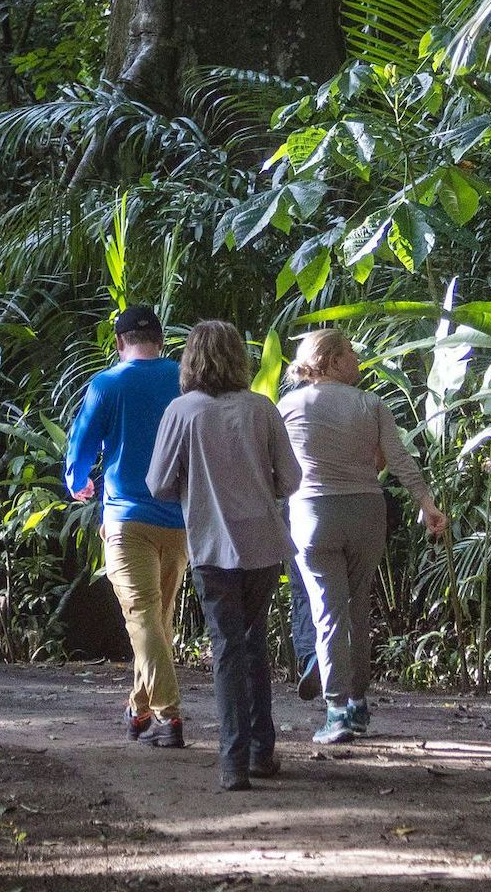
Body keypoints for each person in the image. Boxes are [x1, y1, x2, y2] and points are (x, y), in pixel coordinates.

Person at [144, 321, 301, 790]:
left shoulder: (182, 412)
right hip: (264, 547)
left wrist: (193, 490)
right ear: (239, 358)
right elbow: (290, 479)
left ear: (190, 359)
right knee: (252, 644)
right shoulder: (261, 409)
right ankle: (260, 751)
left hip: (212, 545)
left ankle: (233, 762)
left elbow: (158, 484)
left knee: (227, 648)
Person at [279, 328, 448, 744]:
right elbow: (399, 460)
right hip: (366, 514)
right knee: (358, 609)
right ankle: (357, 704)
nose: (357, 359)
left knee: (327, 614)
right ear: (333, 360)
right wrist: (427, 504)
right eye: (352, 352)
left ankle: (336, 711)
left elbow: (275, 468)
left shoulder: (288, 405)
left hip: (313, 515)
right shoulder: (371, 404)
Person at [63, 305, 188, 745]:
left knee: (143, 619)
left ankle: (168, 716)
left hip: (126, 518)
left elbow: (81, 447)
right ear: (161, 340)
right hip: (178, 519)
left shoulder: (106, 384)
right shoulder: (183, 380)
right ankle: (138, 709)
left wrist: (77, 481)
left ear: (118, 343)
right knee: (156, 620)